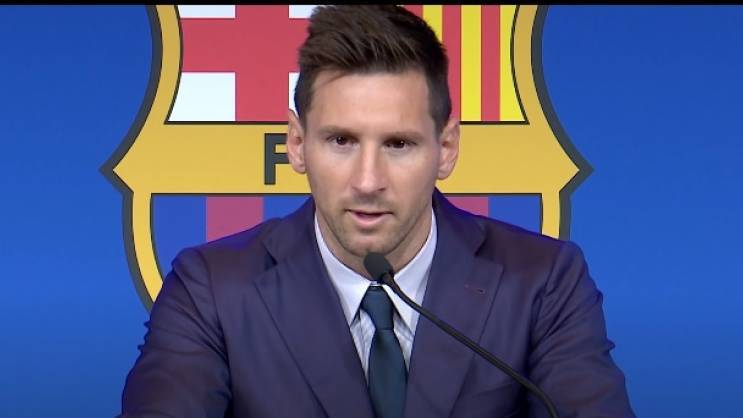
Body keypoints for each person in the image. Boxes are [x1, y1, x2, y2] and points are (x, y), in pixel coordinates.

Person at [119, 5, 635, 418]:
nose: (368, 181)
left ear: (446, 148)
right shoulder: (211, 289)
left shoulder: (543, 281)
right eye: (341, 141)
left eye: (398, 144)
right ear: (296, 144)